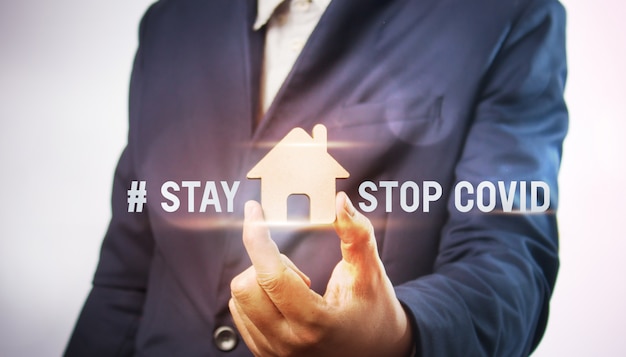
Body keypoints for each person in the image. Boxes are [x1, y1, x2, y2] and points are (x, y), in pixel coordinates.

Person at [65, 0, 568, 355]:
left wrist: (398, 334)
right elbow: (127, 272)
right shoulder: (169, 23)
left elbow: (507, 258)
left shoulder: (505, 13)